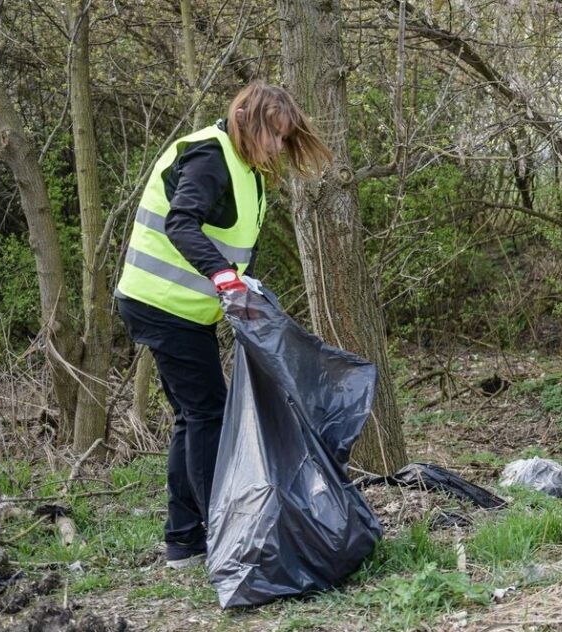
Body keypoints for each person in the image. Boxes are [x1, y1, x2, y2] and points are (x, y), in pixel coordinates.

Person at [114, 81, 332, 568]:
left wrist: (242, 286)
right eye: (274, 135)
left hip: (183, 311)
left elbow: (231, 244)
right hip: (160, 306)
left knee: (192, 417)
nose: (278, 146)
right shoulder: (210, 158)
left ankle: (184, 541)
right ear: (246, 120)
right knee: (208, 413)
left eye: (284, 138)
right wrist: (222, 277)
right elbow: (182, 222)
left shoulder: (246, 169)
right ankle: (225, 537)